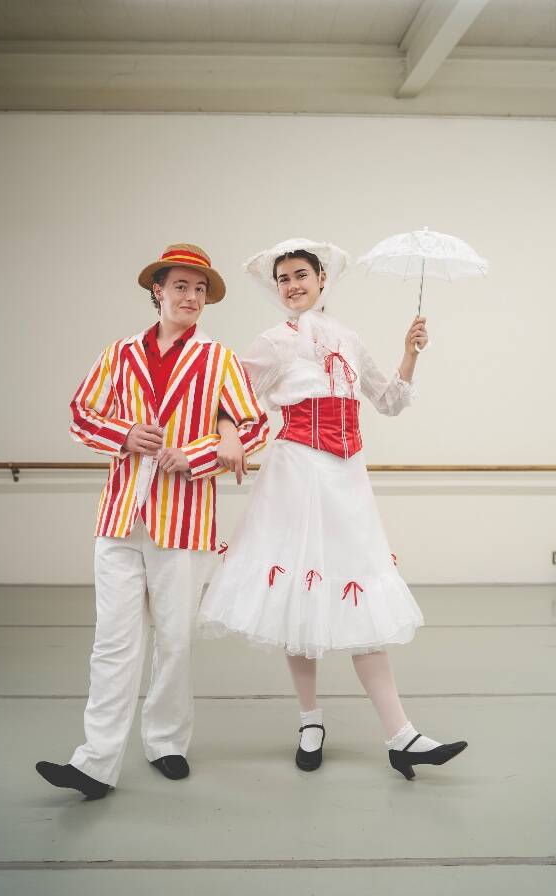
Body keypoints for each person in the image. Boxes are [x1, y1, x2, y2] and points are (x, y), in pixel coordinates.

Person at [200, 238, 467, 780]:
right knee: (299, 597)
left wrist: (411, 353)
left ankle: (400, 734)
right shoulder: (272, 342)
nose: (293, 285)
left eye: (302, 274)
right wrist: (227, 433)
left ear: (323, 280)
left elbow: (388, 400)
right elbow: (227, 396)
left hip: (347, 480)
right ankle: (310, 719)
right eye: (284, 279)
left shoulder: (348, 337)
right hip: (296, 476)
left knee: (357, 592)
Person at [36, 243, 268, 800]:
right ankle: (95, 764)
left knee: (175, 641)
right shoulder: (119, 353)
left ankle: (166, 742)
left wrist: (199, 454)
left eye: (200, 290)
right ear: (157, 291)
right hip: (120, 518)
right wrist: (122, 435)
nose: (191, 297)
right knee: (112, 644)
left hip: (185, 522)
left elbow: (255, 425)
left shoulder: (219, 359)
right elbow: (80, 414)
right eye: (180, 287)